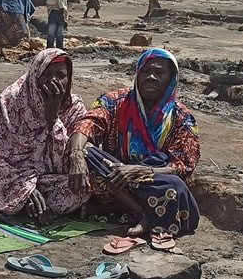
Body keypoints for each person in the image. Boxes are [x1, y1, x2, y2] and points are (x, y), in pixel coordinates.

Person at [70, 49, 201, 246]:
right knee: (86, 151)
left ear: (171, 79)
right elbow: (89, 123)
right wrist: (76, 156)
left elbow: (184, 165)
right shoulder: (114, 102)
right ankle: (144, 213)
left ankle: (122, 208)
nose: (151, 77)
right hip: (114, 175)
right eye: (146, 71)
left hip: (152, 180)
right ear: (138, 73)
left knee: (174, 187)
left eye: (160, 72)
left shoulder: (181, 118)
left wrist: (141, 171)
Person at [0, 49, 90, 219]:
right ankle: (25, 202)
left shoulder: (74, 108)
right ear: (35, 75)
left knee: (80, 187)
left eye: (61, 75)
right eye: (48, 74)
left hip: (48, 179)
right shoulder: (12, 99)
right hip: (8, 176)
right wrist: (24, 187)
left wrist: (53, 118)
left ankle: (18, 205)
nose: (54, 80)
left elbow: (62, 163)